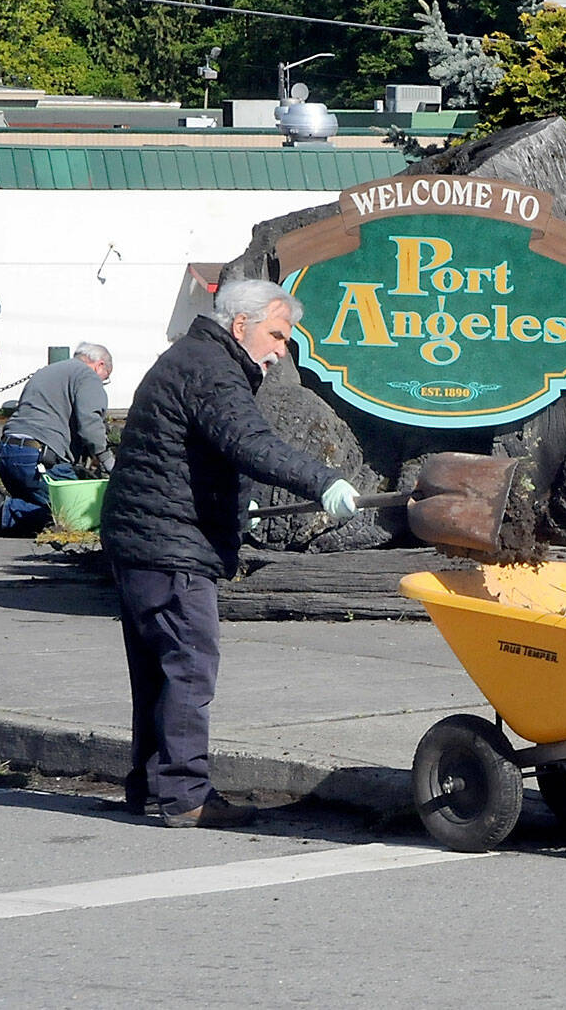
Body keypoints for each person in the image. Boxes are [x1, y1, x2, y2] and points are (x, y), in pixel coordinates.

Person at [100, 278, 359, 829]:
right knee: (189, 667)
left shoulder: (192, 358)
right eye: (278, 334)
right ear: (241, 325)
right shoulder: (212, 369)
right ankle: (186, 796)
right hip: (171, 546)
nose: (282, 349)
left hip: (146, 539)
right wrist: (323, 481)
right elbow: (249, 442)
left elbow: (212, 454)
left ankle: (153, 788)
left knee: (159, 672)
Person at [0, 343, 116, 538]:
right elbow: (90, 424)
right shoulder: (88, 376)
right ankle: (0, 511)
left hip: (8, 452)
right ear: (99, 365)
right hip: (39, 458)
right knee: (78, 513)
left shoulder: (46, 372)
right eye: (105, 378)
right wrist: (107, 459)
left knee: (42, 506)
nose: (102, 383)